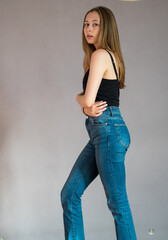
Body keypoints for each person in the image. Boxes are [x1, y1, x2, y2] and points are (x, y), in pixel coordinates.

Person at [60, 6, 137, 240]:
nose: (89, 29)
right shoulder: (102, 56)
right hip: (101, 133)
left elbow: (88, 100)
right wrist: (85, 105)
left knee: (117, 204)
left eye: (95, 24)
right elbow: (89, 104)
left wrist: (80, 101)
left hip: (109, 130)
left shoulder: (100, 55)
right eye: (86, 24)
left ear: (106, 28)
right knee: (69, 194)